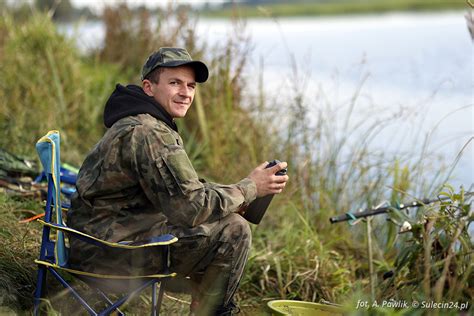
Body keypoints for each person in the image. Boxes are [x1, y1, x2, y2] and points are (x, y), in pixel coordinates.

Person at [67, 47, 289, 315]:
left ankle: (204, 303)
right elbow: (190, 208)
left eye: (191, 86)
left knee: (223, 220)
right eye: (175, 83)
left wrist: (235, 196)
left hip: (98, 242)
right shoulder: (150, 132)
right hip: (106, 255)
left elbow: (184, 192)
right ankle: (212, 311)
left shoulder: (141, 122)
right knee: (234, 230)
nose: (186, 93)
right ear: (149, 87)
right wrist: (250, 187)